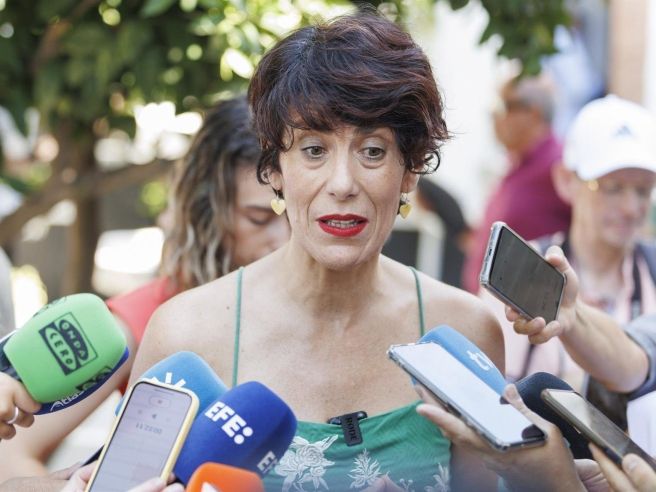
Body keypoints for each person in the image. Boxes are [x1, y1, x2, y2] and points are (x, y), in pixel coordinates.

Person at [129, 11, 509, 490]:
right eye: (314, 150)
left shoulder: (467, 333)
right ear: (274, 169)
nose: (343, 184)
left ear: (410, 170)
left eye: (373, 151)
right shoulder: (183, 334)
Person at [0, 95, 290, 480]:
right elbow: (9, 458)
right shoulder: (146, 315)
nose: (283, 240)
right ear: (206, 213)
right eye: (258, 218)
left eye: (294, 215)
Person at [497, 95, 656, 427]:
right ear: (566, 181)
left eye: (643, 190)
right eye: (612, 187)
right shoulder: (523, 268)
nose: (631, 208)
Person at [462, 75, 571, 293]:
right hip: (487, 303)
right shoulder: (517, 163)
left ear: (533, 113)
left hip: (523, 307)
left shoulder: (559, 164)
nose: (494, 117)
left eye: (503, 107)